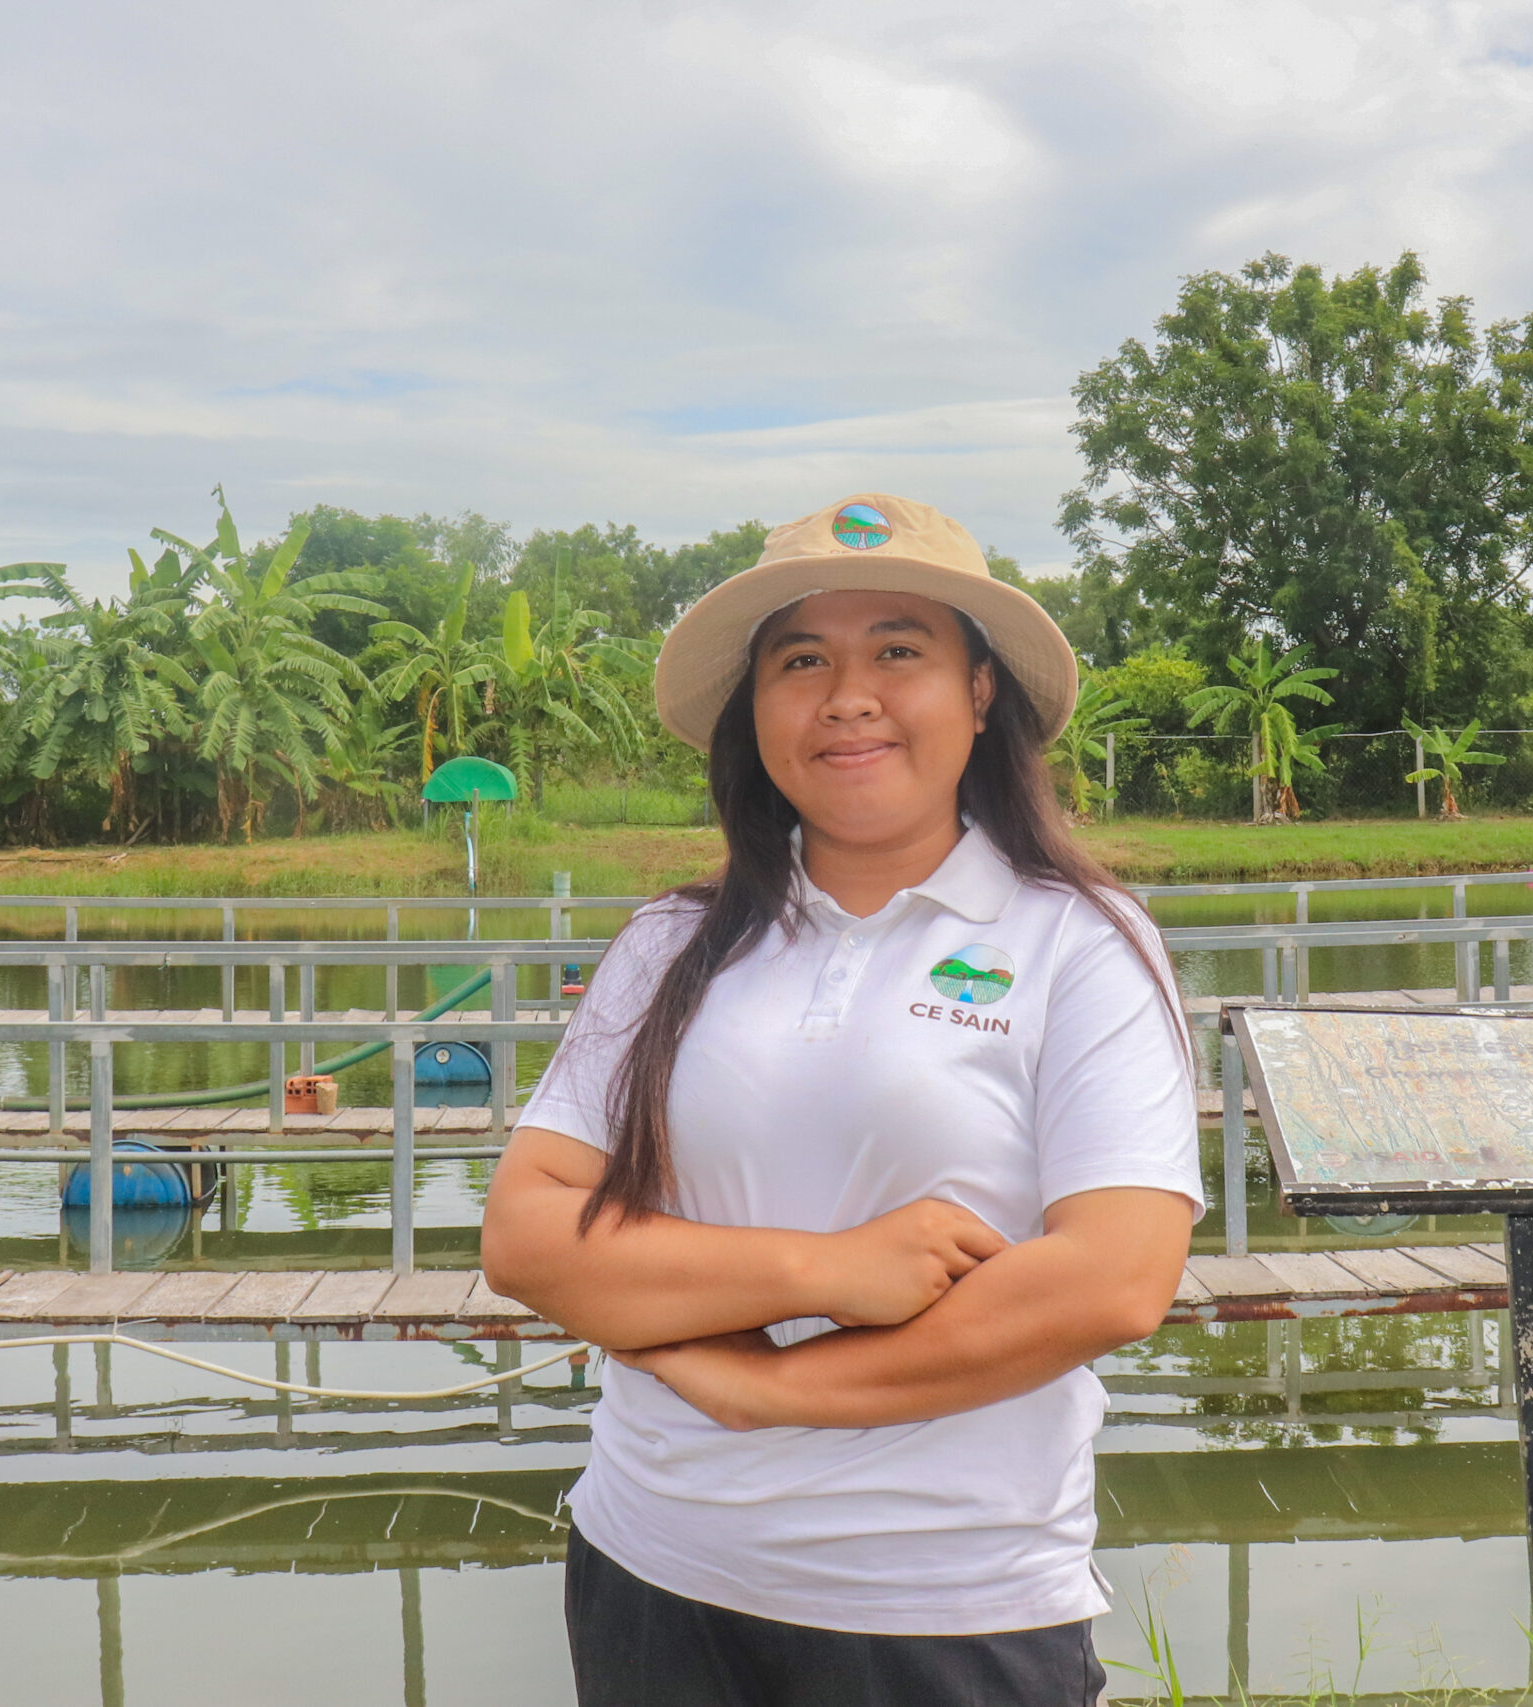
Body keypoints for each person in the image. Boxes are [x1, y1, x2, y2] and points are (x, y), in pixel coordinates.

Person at [481, 491, 1201, 1707]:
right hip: (653, 1568)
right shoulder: (673, 942)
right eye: (800, 659)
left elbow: (1112, 1279)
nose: (846, 695)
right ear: (754, 709)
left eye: (899, 652)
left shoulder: (1078, 942)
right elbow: (526, 1233)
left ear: (979, 692)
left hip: (941, 1602)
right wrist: (831, 1271)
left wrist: (770, 1392)